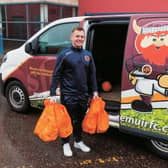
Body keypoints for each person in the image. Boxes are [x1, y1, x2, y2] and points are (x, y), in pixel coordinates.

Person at [50, 26, 99, 157]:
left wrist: (94, 91)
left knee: (79, 120)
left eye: (82, 37)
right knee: (67, 120)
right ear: (71, 37)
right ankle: (65, 143)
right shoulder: (64, 54)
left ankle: (78, 141)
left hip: (83, 95)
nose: (79, 39)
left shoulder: (88, 55)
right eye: (77, 36)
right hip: (68, 95)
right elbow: (56, 75)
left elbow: (92, 75)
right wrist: (53, 93)